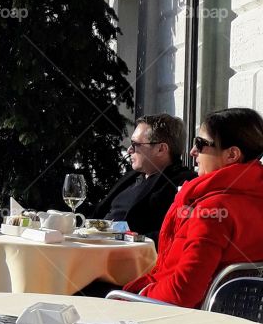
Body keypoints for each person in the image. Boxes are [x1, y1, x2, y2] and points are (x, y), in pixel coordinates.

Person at [122, 107, 263, 307]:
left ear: (232, 154)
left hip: (178, 320)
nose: (192, 151)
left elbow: (184, 291)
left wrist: (136, 294)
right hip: (235, 322)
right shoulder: (252, 197)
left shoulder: (213, 211)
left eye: (200, 143)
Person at [87, 114, 194, 240]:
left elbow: (170, 234)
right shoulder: (133, 176)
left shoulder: (181, 183)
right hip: (93, 242)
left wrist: (128, 240)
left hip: (128, 254)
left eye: (136, 144)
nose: (129, 150)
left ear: (161, 149)